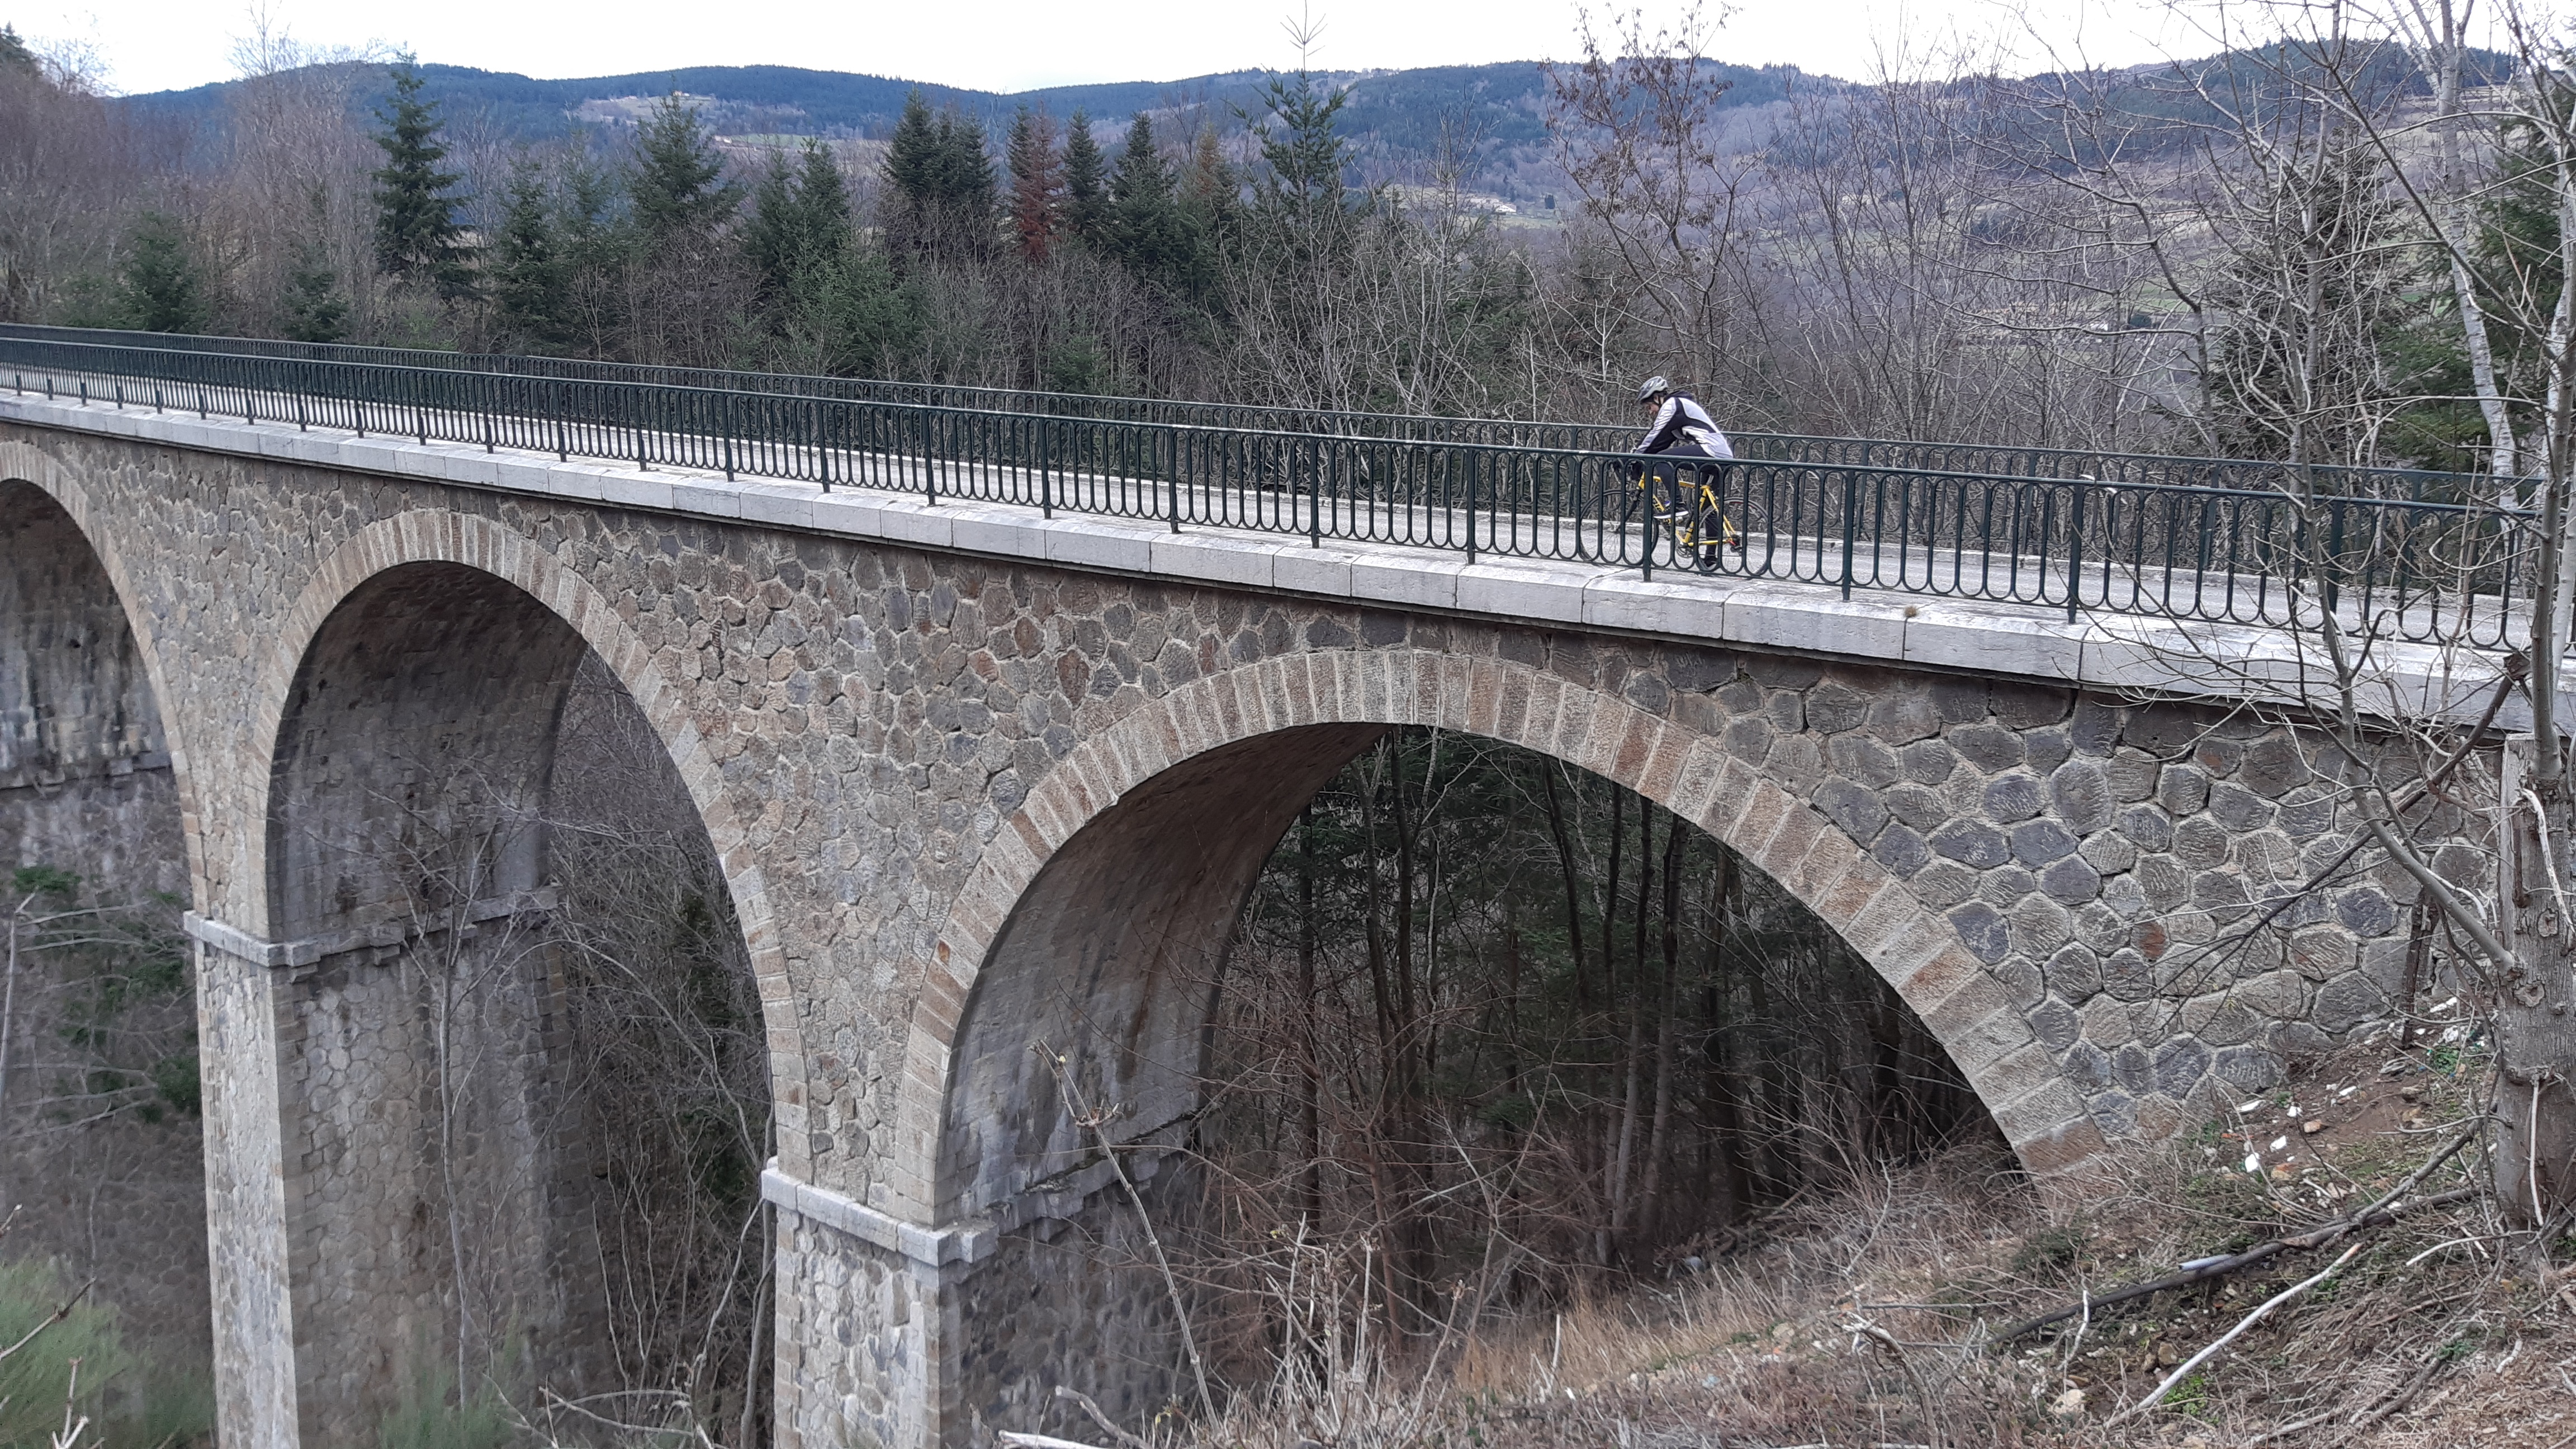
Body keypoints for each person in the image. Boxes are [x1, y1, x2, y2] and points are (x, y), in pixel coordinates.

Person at [1630, 375, 1739, 565]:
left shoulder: (1673, 404)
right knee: (1708, 507)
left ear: (1657, 398)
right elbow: (1660, 440)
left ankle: (1678, 506)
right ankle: (1711, 559)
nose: (1650, 412)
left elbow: (1654, 435)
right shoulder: (1679, 408)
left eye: (1649, 407)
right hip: (1722, 455)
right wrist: (1640, 457)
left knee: (1664, 460)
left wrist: (1634, 457)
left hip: (1711, 451)